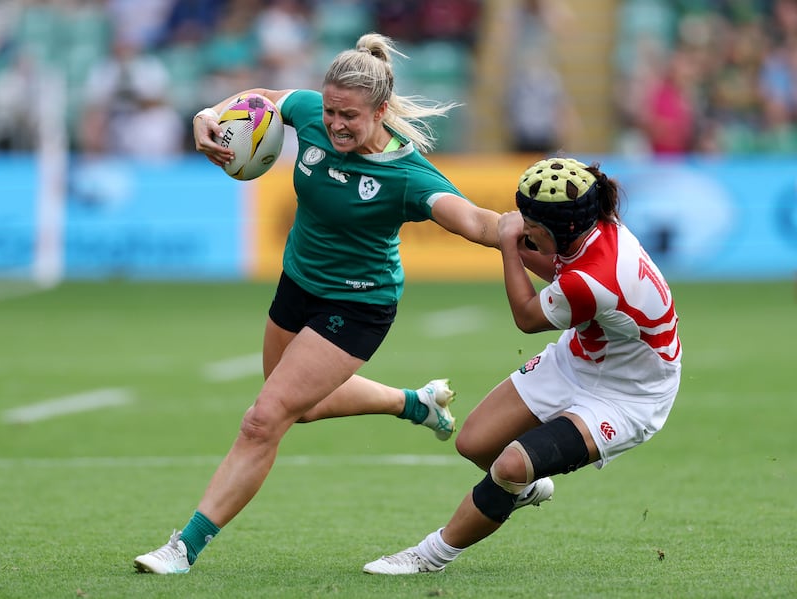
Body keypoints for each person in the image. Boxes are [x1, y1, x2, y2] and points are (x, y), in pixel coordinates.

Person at [133, 32, 504, 574]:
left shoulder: (406, 175)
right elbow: (265, 99)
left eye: (349, 116)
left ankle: (183, 546)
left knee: (264, 420)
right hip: (297, 285)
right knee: (298, 408)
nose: (334, 124)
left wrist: (537, 231)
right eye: (330, 111)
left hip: (358, 306)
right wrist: (207, 113)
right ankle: (415, 403)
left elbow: (476, 221)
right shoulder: (310, 113)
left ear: (380, 112)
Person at [363, 157, 682, 575]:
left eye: (531, 223)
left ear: (556, 229)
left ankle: (430, 555)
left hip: (628, 396)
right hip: (580, 357)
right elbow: (557, 266)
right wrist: (512, 239)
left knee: (511, 463)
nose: (523, 225)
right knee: (475, 443)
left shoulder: (594, 279)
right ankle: (523, 488)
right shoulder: (590, 228)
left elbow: (528, 318)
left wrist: (510, 248)